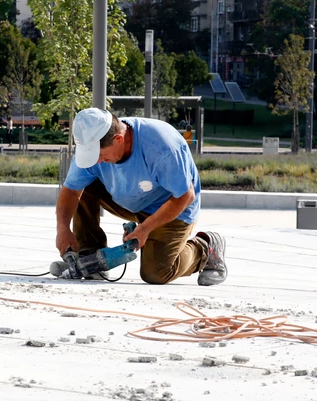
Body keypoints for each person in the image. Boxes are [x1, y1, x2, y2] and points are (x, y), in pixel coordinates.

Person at [55, 107, 227, 286]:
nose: (96, 161)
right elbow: (71, 190)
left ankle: (205, 248)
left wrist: (145, 228)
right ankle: (89, 257)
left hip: (171, 208)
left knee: (156, 273)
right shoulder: (93, 143)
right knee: (83, 185)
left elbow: (185, 196)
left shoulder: (161, 146)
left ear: (118, 139)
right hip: (132, 200)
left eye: (101, 156)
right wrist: (62, 228)